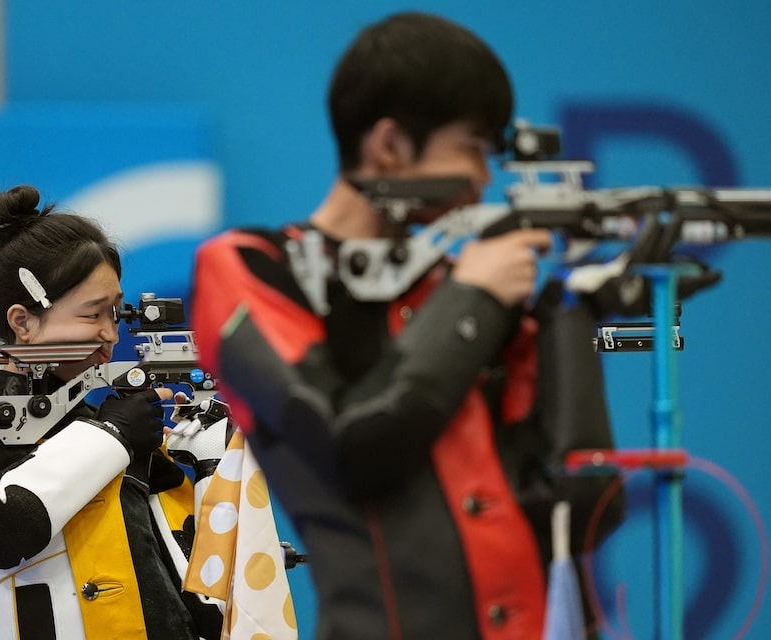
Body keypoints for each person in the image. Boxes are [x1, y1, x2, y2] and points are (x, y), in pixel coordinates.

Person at [188, 12, 640, 640]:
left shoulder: (458, 286)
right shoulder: (249, 267)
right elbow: (350, 449)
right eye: (472, 148)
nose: (485, 179)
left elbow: (585, 506)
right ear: (390, 146)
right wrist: (474, 298)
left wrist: (570, 314)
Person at [0, 185, 223, 639]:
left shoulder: (123, 430)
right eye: (93, 315)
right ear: (23, 322)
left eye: (116, 313)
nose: (111, 335)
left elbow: (202, 585)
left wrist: (213, 466)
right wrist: (112, 436)